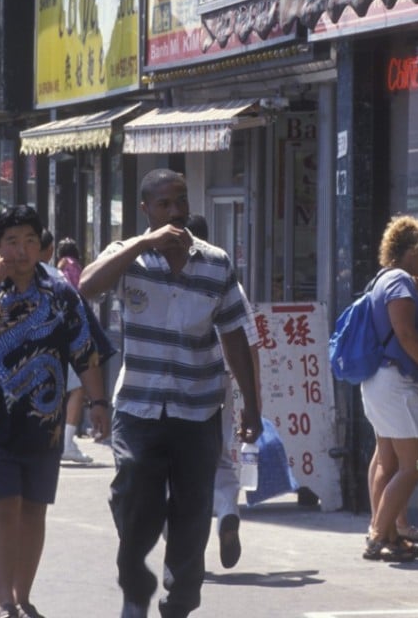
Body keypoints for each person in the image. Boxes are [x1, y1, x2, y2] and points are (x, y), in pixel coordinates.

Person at [79, 169, 262, 618]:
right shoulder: (129, 257)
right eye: (164, 204)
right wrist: (143, 244)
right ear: (146, 209)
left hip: (198, 410)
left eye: (181, 201)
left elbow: (234, 335)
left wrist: (251, 405)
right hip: (139, 407)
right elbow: (87, 287)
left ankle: (178, 603)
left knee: (193, 513)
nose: (176, 211)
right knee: (134, 491)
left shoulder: (215, 262)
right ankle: (135, 589)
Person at [0, 205, 112, 618]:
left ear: (42, 246)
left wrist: (99, 403)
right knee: (4, 507)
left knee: (35, 509)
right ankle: (4, 601)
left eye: (30, 241)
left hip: (46, 427)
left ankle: (23, 597)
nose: (21, 250)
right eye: (12, 241)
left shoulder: (61, 293)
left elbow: (86, 352)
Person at [361, 215, 418, 563]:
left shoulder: (383, 278)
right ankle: (379, 535)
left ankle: (390, 535)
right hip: (397, 382)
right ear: (412, 251)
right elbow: (405, 334)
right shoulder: (399, 281)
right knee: (414, 465)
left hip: (380, 380)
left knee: (388, 459)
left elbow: (403, 326)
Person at [184, 213, 261, 569]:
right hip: (221, 384)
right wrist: (252, 402)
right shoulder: (227, 279)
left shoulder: (163, 275)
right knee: (219, 460)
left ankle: (186, 547)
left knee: (174, 463)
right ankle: (228, 510)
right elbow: (249, 345)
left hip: (175, 384)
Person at [53, 237, 94, 462]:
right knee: (77, 388)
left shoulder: (56, 269)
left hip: (57, 337)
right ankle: (67, 442)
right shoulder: (75, 267)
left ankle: (62, 440)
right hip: (72, 336)